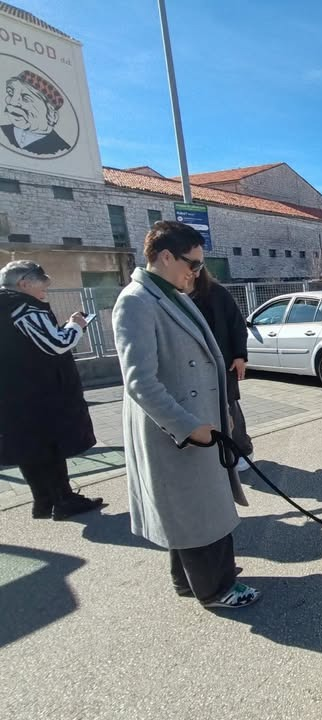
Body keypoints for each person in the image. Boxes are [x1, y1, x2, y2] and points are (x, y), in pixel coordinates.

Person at [113, 221, 259, 609]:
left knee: (191, 509)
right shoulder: (136, 301)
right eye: (192, 263)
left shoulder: (170, 294)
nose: (196, 271)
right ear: (164, 257)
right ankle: (217, 588)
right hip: (179, 429)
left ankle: (188, 580)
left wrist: (218, 415)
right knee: (197, 511)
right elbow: (139, 381)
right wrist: (188, 426)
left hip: (201, 420)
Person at [0, 260, 103, 520]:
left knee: (28, 449)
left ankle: (43, 501)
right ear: (23, 284)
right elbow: (57, 343)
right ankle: (64, 499)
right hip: (39, 393)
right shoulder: (23, 309)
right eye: (41, 285)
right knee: (50, 447)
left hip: (12, 393)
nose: (45, 291)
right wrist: (76, 325)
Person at [188, 266, 254, 471]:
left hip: (222, 364)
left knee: (229, 407)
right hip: (192, 368)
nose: (194, 273)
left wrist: (240, 355)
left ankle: (242, 450)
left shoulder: (216, 292)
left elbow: (237, 324)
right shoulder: (171, 296)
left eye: (197, 266)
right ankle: (214, 455)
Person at [2, 70, 71, 155]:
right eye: (11, 93)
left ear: (52, 115)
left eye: (26, 98)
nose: (12, 102)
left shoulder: (61, 149)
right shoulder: (2, 131)